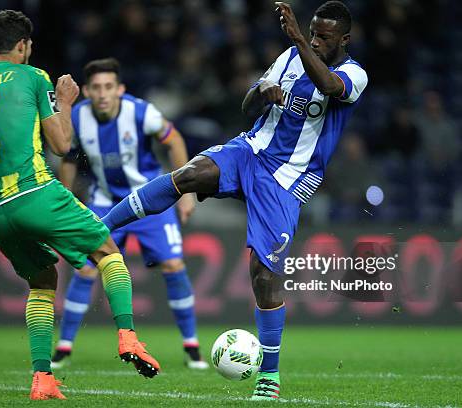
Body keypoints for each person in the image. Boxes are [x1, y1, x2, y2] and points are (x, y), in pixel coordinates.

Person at [100, 1, 368, 400]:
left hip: (287, 178)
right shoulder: (290, 57)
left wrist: (298, 39)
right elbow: (247, 104)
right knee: (188, 174)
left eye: (324, 36)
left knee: (264, 273)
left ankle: (270, 377)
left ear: (344, 39)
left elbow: (330, 88)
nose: (314, 40)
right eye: (312, 32)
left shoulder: (354, 73)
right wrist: (261, 91)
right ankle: (99, 225)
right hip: (250, 151)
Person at [0, 10, 160, 401]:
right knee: (108, 252)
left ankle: (42, 378)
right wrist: (65, 102)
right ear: (22, 46)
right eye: (29, 47)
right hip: (34, 192)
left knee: (43, 281)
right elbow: (62, 145)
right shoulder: (33, 77)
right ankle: (129, 337)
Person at [50, 57, 208, 370]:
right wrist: (66, 200)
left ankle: (192, 348)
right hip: (106, 201)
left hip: (149, 202)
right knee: (85, 268)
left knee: (174, 265)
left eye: (109, 86)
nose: (103, 93)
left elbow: (174, 139)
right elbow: (68, 158)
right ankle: (64, 348)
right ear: (86, 91)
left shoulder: (140, 111)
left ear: (120, 89)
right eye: (96, 88)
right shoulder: (78, 117)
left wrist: (187, 193)